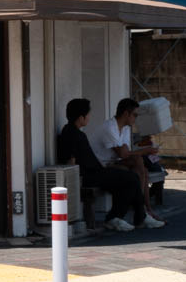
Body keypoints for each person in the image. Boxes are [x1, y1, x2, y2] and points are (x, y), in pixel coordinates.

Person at [57, 99, 161, 232]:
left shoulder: (71, 131)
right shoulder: (76, 134)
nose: (89, 118)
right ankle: (134, 217)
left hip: (92, 171)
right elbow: (74, 160)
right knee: (132, 178)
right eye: (88, 115)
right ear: (81, 117)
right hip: (89, 174)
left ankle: (124, 217)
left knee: (130, 176)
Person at [97, 98, 162, 214]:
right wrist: (145, 151)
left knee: (142, 169)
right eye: (135, 115)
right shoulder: (110, 127)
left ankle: (145, 210)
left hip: (115, 162)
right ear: (126, 114)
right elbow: (123, 153)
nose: (136, 118)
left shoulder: (125, 128)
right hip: (102, 166)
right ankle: (143, 211)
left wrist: (137, 151)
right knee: (137, 166)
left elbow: (126, 153)